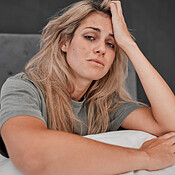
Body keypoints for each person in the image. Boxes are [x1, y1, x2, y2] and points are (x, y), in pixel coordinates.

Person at [0, 0, 175, 174]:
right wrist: (145, 157)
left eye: (111, 44)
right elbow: (31, 154)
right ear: (65, 42)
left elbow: (170, 125)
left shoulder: (106, 103)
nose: (101, 49)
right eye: (90, 37)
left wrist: (129, 45)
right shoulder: (24, 88)